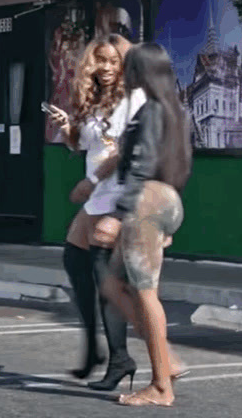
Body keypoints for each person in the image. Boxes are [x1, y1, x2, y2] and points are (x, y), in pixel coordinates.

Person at [97, 42, 193, 408]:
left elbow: (142, 162)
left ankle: (161, 386)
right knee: (113, 284)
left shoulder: (151, 110)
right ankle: (166, 361)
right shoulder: (175, 110)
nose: (124, 72)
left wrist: (118, 214)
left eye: (129, 66)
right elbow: (181, 162)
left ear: (140, 71)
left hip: (146, 201)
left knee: (144, 291)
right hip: (166, 198)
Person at [46, 34, 144, 390]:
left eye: (112, 61)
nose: (104, 68)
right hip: (96, 196)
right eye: (99, 60)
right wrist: (67, 128)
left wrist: (90, 180)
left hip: (119, 194)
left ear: (124, 64)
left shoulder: (136, 98)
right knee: (75, 261)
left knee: (108, 283)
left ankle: (120, 359)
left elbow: (129, 148)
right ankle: (92, 348)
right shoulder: (98, 99)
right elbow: (86, 145)